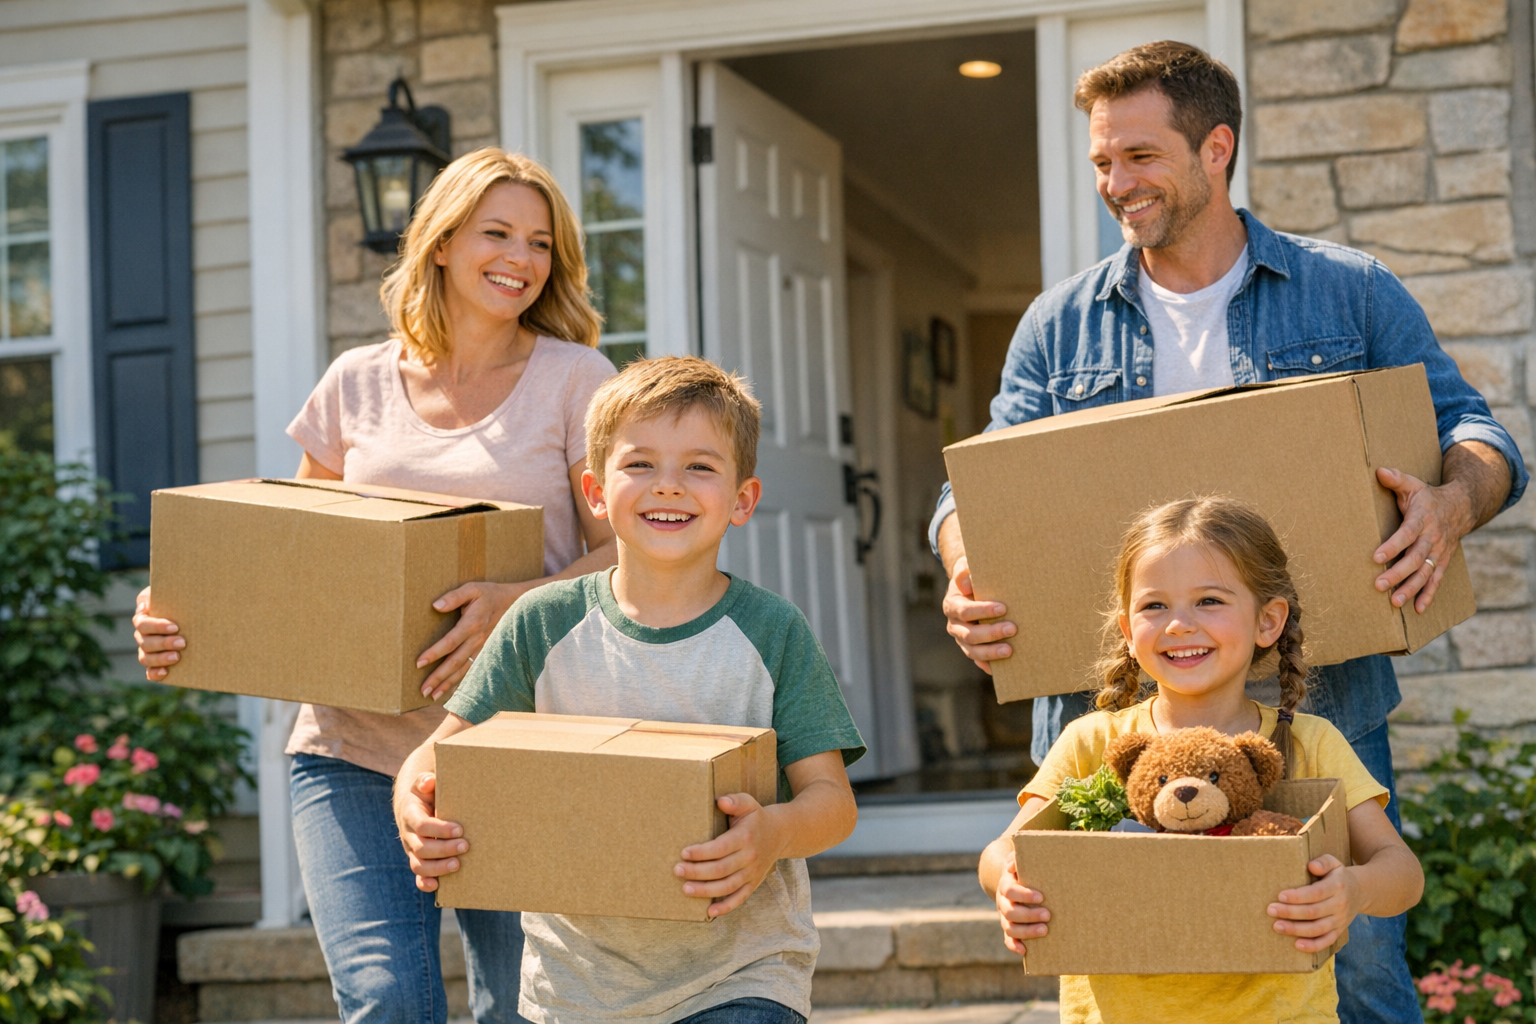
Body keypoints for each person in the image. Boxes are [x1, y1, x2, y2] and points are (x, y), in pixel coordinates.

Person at [934, 40, 1524, 1023]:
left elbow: (1477, 429)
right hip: (1127, 709)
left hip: (1314, 698)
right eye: (1102, 162)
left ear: (1217, 148)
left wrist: (1451, 503)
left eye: (1139, 156)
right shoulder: (1059, 324)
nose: (1116, 183)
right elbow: (979, 485)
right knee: (1133, 962)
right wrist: (966, 565)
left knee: (1356, 961)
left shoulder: (1349, 290)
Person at [131, 148, 620, 1024]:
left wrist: (515, 601)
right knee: (388, 1003)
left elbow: (624, 558)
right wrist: (180, 615)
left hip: (515, 748)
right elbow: (285, 556)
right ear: (440, 243)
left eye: (540, 243)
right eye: (496, 233)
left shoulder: (578, 381)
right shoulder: (356, 381)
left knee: (520, 1008)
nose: (520, 258)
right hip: (348, 749)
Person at [394, 356, 866, 1024]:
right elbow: (436, 756)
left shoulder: (773, 631)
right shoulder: (543, 623)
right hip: (573, 992)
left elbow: (832, 802)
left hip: (739, 978)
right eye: (639, 464)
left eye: (699, 467)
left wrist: (771, 835)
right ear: (593, 490)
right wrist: (411, 806)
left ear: (743, 500)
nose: (667, 487)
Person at [981, 496, 1425, 1024]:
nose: (1178, 625)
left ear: (1268, 621)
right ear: (1127, 629)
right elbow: (1002, 850)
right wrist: (1008, 883)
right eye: (1154, 606)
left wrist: (1352, 891)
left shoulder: (1311, 742)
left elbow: (1402, 872)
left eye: (1209, 601)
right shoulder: (1092, 741)